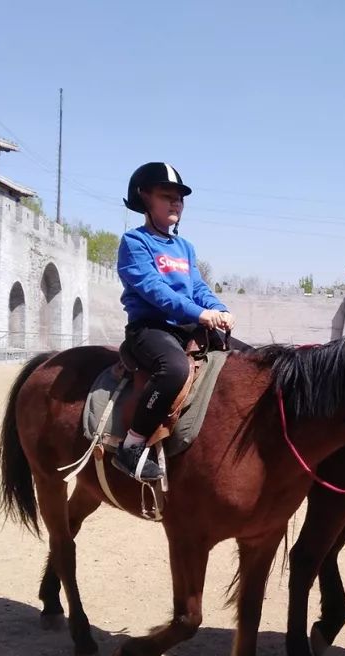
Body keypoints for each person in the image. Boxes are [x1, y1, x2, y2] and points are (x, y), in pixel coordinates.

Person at [113, 162, 235, 481]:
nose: (175, 203)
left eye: (179, 198)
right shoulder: (134, 243)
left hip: (187, 328)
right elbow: (156, 291)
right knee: (175, 370)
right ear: (144, 199)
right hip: (150, 328)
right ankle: (132, 446)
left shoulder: (185, 248)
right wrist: (199, 313)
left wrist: (219, 309)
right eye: (166, 196)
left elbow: (197, 287)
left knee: (244, 360)